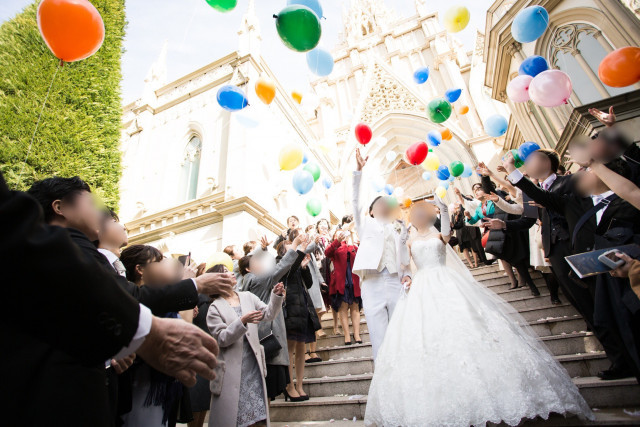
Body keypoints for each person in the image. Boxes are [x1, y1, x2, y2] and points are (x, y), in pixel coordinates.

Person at [0, 171, 219, 426]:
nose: (100, 213)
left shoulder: (74, 251)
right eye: (91, 203)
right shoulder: (62, 251)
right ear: (59, 207)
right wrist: (145, 331)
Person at [364, 200, 594, 426]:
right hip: (422, 286)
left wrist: (441, 206)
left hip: (446, 282)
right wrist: (405, 270)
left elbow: (446, 228)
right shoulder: (409, 239)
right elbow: (404, 265)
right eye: (415, 214)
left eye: (422, 213)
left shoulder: (439, 235)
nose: (418, 217)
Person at [505, 153, 640, 381]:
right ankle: (621, 361)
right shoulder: (572, 202)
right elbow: (539, 197)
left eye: (588, 170)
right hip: (586, 265)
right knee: (600, 316)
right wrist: (511, 169)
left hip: (624, 271)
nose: (582, 174)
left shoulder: (625, 202)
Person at [120, 246, 194, 426]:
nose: (163, 265)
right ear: (140, 270)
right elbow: (184, 331)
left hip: (161, 390)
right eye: (158, 262)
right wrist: (187, 283)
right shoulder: (139, 302)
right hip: (141, 389)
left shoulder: (161, 300)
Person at [352, 148, 411, 361]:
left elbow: (404, 255)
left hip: (396, 280)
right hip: (372, 281)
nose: (384, 205)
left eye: (386, 203)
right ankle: (384, 382)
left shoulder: (399, 227)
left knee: (400, 331)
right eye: (379, 203)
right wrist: (358, 171)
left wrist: (408, 276)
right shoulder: (365, 224)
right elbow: (355, 202)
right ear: (371, 211)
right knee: (379, 335)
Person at [240, 232, 310, 402]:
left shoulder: (253, 281)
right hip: (267, 336)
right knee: (266, 389)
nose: (261, 263)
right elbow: (281, 268)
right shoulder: (256, 280)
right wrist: (295, 245)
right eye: (256, 261)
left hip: (262, 334)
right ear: (248, 269)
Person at [207, 277, 285, 427]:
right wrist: (241, 321)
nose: (231, 273)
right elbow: (221, 338)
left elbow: (268, 314)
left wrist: (276, 296)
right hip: (231, 372)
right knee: (236, 419)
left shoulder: (247, 296)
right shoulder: (214, 308)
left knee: (259, 419)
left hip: (253, 368)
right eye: (225, 272)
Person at [278, 231, 321, 400]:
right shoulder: (280, 263)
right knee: (290, 347)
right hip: (289, 307)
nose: (294, 253)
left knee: (302, 346)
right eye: (291, 250)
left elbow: (309, 283)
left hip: (303, 305)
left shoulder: (297, 263)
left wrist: (304, 267)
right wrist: (297, 248)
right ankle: (289, 386)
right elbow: (286, 270)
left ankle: (300, 385)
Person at [325, 229, 362, 345]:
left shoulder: (353, 247)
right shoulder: (334, 247)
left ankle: (356, 334)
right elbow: (327, 253)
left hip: (353, 280)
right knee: (343, 308)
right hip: (341, 281)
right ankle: (347, 335)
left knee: (355, 307)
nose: (342, 235)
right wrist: (337, 241)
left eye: (343, 233)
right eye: (339, 233)